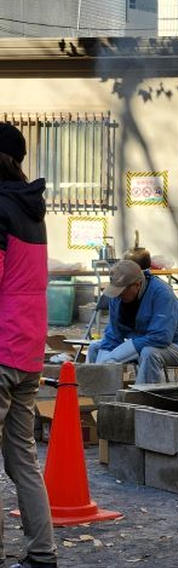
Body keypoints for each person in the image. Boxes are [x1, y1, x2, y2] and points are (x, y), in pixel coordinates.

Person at [0, 124, 57, 568]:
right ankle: (42, 553)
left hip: (0, 348)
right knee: (22, 458)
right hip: (28, 349)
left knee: (21, 457)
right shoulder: (31, 208)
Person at [87, 260, 178, 384]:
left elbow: (161, 337)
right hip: (141, 341)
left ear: (137, 284)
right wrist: (103, 363)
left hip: (174, 345)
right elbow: (113, 333)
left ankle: (143, 397)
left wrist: (117, 355)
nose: (118, 295)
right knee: (95, 347)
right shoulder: (117, 297)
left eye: (122, 291)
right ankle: (102, 394)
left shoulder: (162, 293)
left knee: (149, 352)